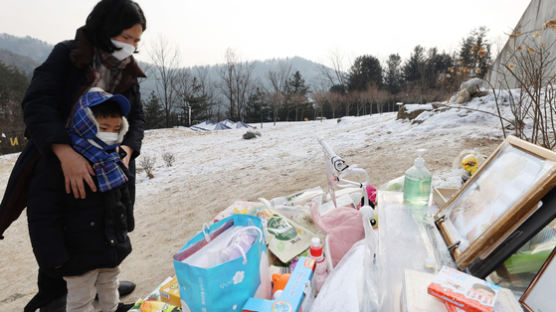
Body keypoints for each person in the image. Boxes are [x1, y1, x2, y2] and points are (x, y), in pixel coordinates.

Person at [0, 0, 146, 311]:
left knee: (105, 226)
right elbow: (37, 104)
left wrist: (127, 150)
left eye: (136, 41)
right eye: (126, 38)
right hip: (59, 161)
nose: (131, 47)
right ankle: (54, 297)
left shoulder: (126, 71)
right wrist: (65, 154)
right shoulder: (68, 56)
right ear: (105, 30)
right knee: (62, 230)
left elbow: (138, 117)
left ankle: (101, 287)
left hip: (108, 165)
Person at [51, 88, 133, 312]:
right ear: (84, 123)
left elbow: (121, 196)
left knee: (110, 286)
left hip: (110, 245)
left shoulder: (113, 158)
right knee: (81, 299)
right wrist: (55, 255)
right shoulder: (69, 165)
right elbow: (47, 214)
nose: (110, 134)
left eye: (116, 129)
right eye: (103, 128)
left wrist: (126, 225)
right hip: (77, 254)